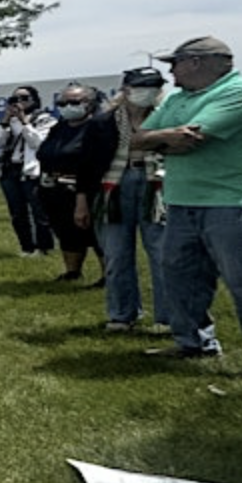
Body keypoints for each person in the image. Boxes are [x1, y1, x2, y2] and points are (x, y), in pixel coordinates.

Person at [135, 36, 242, 359]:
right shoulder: (178, 99)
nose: (171, 73)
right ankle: (194, 343)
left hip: (231, 203)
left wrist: (160, 139)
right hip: (181, 201)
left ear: (196, 62)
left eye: (174, 64)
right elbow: (138, 139)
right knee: (180, 276)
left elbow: (194, 138)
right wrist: (167, 137)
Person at [95, 68, 170, 332]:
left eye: (153, 86)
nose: (147, 92)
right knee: (116, 255)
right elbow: (90, 161)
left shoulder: (168, 117)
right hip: (115, 185)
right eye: (140, 86)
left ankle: (167, 318)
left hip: (157, 186)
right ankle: (122, 314)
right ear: (125, 89)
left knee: (162, 253)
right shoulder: (106, 121)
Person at [34, 84, 114, 283]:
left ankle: (108, 275)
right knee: (66, 231)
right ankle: (72, 271)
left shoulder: (98, 127)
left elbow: (93, 163)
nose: (66, 106)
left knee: (95, 232)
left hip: (87, 188)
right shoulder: (59, 128)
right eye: (61, 103)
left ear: (89, 103)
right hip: (54, 189)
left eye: (73, 102)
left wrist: (82, 195)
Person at [0, 86, 56, 256]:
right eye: (14, 99)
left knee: (39, 210)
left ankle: (43, 247)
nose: (19, 102)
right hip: (9, 169)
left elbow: (37, 142)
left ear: (34, 100)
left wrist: (24, 122)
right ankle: (26, 247)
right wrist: (5, 121)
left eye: (24, 98)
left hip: (32, 170)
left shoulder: (45, 120)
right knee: (17, 212)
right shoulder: (9, 122)